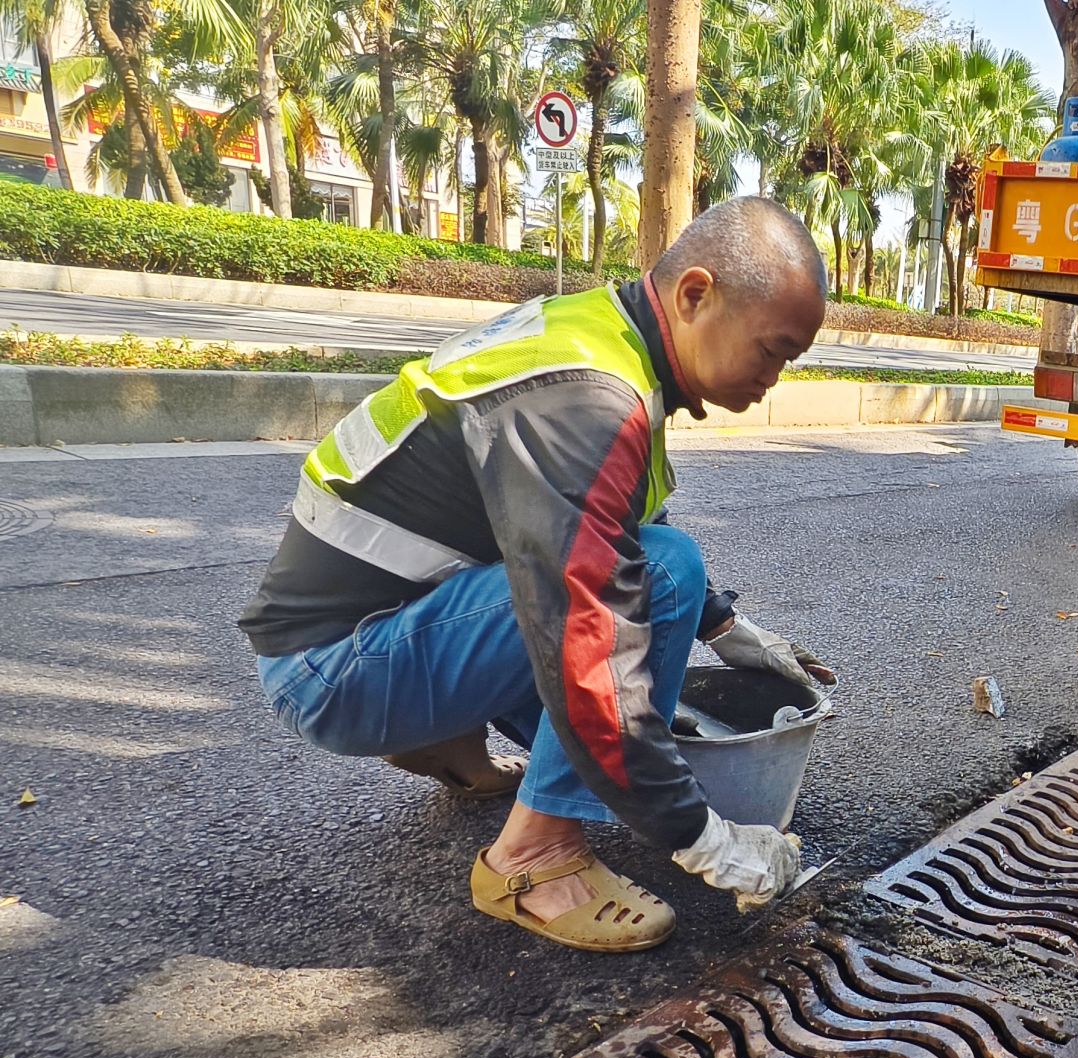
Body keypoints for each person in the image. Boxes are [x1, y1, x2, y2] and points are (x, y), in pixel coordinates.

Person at [239, 197, 834, 954]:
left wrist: (726, 627)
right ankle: (534, 858)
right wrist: (699, 836)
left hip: (360, 630)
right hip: (334, 670)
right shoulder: (589, 400)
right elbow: (593, 637)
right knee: (665, 578)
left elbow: (595, 527)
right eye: (773, 350)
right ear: (695, 295)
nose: (775, 379)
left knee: (662, 580)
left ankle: (448, 739)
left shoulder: (596, 336)